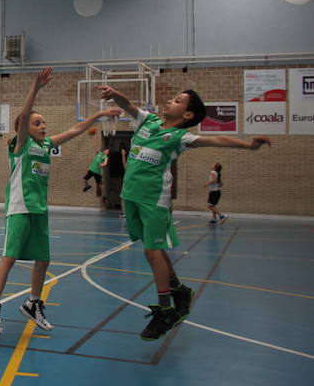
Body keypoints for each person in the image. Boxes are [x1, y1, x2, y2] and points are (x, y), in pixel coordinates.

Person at [98, 84, 271, 341]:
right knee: (153, 247)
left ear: (187, 115)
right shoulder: (148, 120)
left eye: (177, 100)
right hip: (130, 197)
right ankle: (179, 288)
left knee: (152, 251)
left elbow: (217, 139)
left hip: (154, 201)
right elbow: (128, 105)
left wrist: (248, 145)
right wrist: (114, 93)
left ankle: (165, 310)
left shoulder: (180, 137)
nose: (170, 101)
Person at [0, 68, 121, 336]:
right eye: (38, 123)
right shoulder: (20, 145)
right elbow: (24, 116)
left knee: (43, 259)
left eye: (44, 123)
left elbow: (76, 129)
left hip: (39, 209)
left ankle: (33, 305)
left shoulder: (47, 146)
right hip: (19, 208)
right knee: (9, 258)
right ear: (24, 128)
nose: (43, 126)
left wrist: (100, 114)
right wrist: (35, 87)